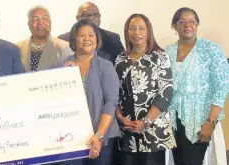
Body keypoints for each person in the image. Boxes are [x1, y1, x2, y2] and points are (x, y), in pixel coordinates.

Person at [165, 7, 229, 165]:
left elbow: (222, 86)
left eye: (192, 21)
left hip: (200, 119)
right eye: (182, 21)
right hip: (173, 120)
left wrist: (210, 122)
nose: (188, 25)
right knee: (178, 161)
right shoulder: (168, 51)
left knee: (192, 161)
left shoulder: (211, 49)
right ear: (175, 26)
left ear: (197, 25)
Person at [53, 20, 120, 165]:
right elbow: (53, 101)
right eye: (81, 35)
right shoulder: (60, 65)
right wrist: (62, 77)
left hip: (99, 136)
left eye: (91, 35)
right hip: (69, 137)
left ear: (97, 39)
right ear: (74, 39)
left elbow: (111, 102)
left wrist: (99, 135)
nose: (87, 39)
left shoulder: (105, 65)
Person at [114, 14, 175, 165]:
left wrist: (146, 122)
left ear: (148, 31)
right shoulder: (120, 59)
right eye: (132, 28)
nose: (136, 32)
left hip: (153, 130)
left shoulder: (160, 56)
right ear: (127, 32)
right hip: (127, 129)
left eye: (141, 28)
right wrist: (120, 117)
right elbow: (115, 93)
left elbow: (166, 92)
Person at [58, 2, 124, 64]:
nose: (92, 18)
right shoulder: (63, 40)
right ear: (78, 18)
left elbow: (121, 66)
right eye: (87, 15)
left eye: (95, 15)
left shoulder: (113, 39)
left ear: (100, 17)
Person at [16, 5, 72, 72]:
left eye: (45, 18)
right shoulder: (17, 48)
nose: (40, 22)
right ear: (29, 24)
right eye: (35, 19)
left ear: (50, 23)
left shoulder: (65, 48)